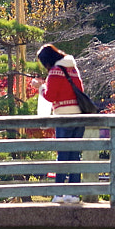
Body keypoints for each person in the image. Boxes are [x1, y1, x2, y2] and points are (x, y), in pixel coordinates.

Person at [36, 43, 86, 204]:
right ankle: (74, 194)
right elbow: (80, 90)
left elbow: (50, 96)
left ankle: (59, 193)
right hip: (79, 117)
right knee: (75, 156)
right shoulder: (73, 69)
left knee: (63, 156)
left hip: (64, 117)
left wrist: (40, 87)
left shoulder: (55, 72)